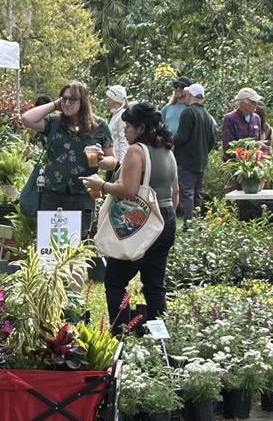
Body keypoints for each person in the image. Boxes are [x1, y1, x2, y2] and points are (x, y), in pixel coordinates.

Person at [80, 103, 179, 330]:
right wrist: (162, 220)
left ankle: (121, 332)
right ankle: (159, 338)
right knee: (155, 285)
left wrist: (101, 185)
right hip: (166, 219)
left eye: (128, 125)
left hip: (139, 220)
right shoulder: (167, 150)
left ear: (141, 127)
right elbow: (176, 192)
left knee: (115, 281)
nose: (125, 130)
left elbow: (129, 189)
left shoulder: (137, 150)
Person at [21, 80, 116, 240]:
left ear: (83, 101)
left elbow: (112, 161)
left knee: (78, 243)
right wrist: (55, 104)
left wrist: (100, 160)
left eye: (72, 99)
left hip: (83, 194)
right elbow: (26, 118)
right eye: (63, 98)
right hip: (53, 193)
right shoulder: (54, 123)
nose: (67, 103)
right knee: (49, 243)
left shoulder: (98, 125)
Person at [174, 83, 217, 219]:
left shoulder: (188, 112)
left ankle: (189, 223)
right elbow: (212, 141)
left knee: (186, 193)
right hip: (200, 162)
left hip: (187, 161)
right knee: (196, 193)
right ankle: (197, 221)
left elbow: (182, 137)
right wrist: (202, 152)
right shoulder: (206, 115)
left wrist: (168, 139)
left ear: (189, 95)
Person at [221, 88, 265, 162]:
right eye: (252, 102)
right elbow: (228, 148)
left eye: (256, 102)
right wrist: (252, 144)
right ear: (242, 103)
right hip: (235, 166)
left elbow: (258, 142)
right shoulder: (230, 118)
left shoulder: (256, 118)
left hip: (253, 165)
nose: (256, 104)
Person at [104, 85, 130, 164]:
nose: (106, 99)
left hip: (118, 162)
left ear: (113, 100)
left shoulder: (122, 116)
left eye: (108, 97)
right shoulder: (115, 114)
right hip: (113, 159)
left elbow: (123, 139)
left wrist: (122, 161)